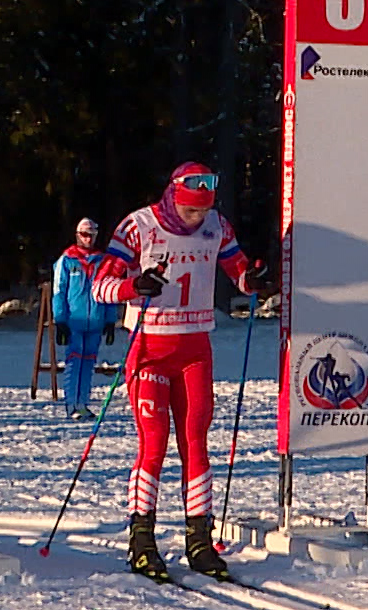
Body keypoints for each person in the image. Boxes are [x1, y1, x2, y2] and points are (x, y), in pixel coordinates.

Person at [92, 163, 273, 581]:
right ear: (174, 198)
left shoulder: (217, 226)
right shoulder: (138, 227)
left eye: (202, 211)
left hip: (195, 349)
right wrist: (133, 287)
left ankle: (200, 540)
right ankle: (142, 541)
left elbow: (239, 272)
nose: (196, 219)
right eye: (190, 211)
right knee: (153, 443)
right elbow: (100, 285)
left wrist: (253, 279)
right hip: (150, 349)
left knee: (196, 442)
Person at [51, 217, 118, 419]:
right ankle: (72, 404)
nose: (88, 239)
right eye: (84, 235)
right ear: (77, 235)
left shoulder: (103, 261)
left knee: (88, 363)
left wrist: (110, 320)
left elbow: (110, 290)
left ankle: (83, 403)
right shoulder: (67, 260)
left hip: (95, 321)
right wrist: (60, 320)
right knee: (74, 362)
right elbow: (59, 292)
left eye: (92, 235)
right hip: (74, 321)